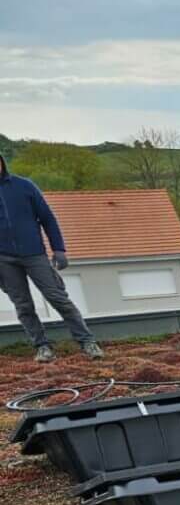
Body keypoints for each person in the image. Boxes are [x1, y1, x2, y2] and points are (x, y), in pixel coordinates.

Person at [0, 153, 103, 362]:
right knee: (23, 306)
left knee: (58, 298)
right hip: (4, 260)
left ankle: (87, 341)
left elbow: (47, 218)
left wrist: (59, 249)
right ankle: (42, 347)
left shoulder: (24, 186)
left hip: (35, 255)